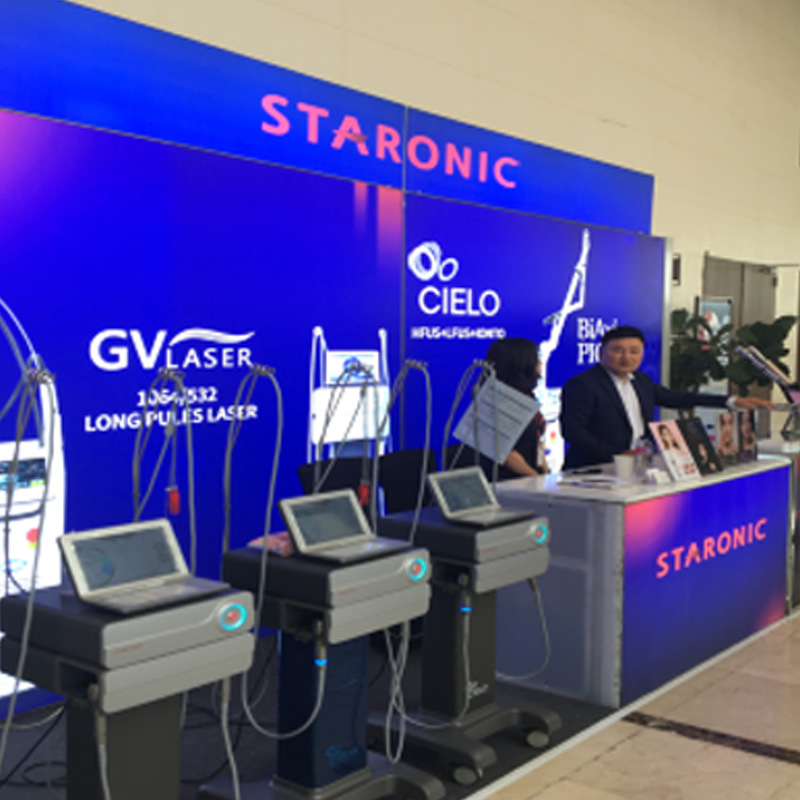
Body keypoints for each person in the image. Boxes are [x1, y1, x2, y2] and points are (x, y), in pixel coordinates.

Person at [560, 325, 772, 469]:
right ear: (601, 353)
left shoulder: (640, 380)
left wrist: (729, 401)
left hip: (637, 467)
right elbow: (573, 432)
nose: (626, 357)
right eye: (617, 350)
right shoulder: (583, 385)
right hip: (593, 470)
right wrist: (618, 454)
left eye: (634, 351)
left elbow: (678, 398)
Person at [483, 337, 547, 478]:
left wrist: (544, 470)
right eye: (536, 359)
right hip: (507, 481)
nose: (540, 363)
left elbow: (536, 440)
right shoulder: (498, 400)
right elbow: (506, 454)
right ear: (522, 364)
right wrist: (536, 477)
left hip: (530, 476)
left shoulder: (526, 396)